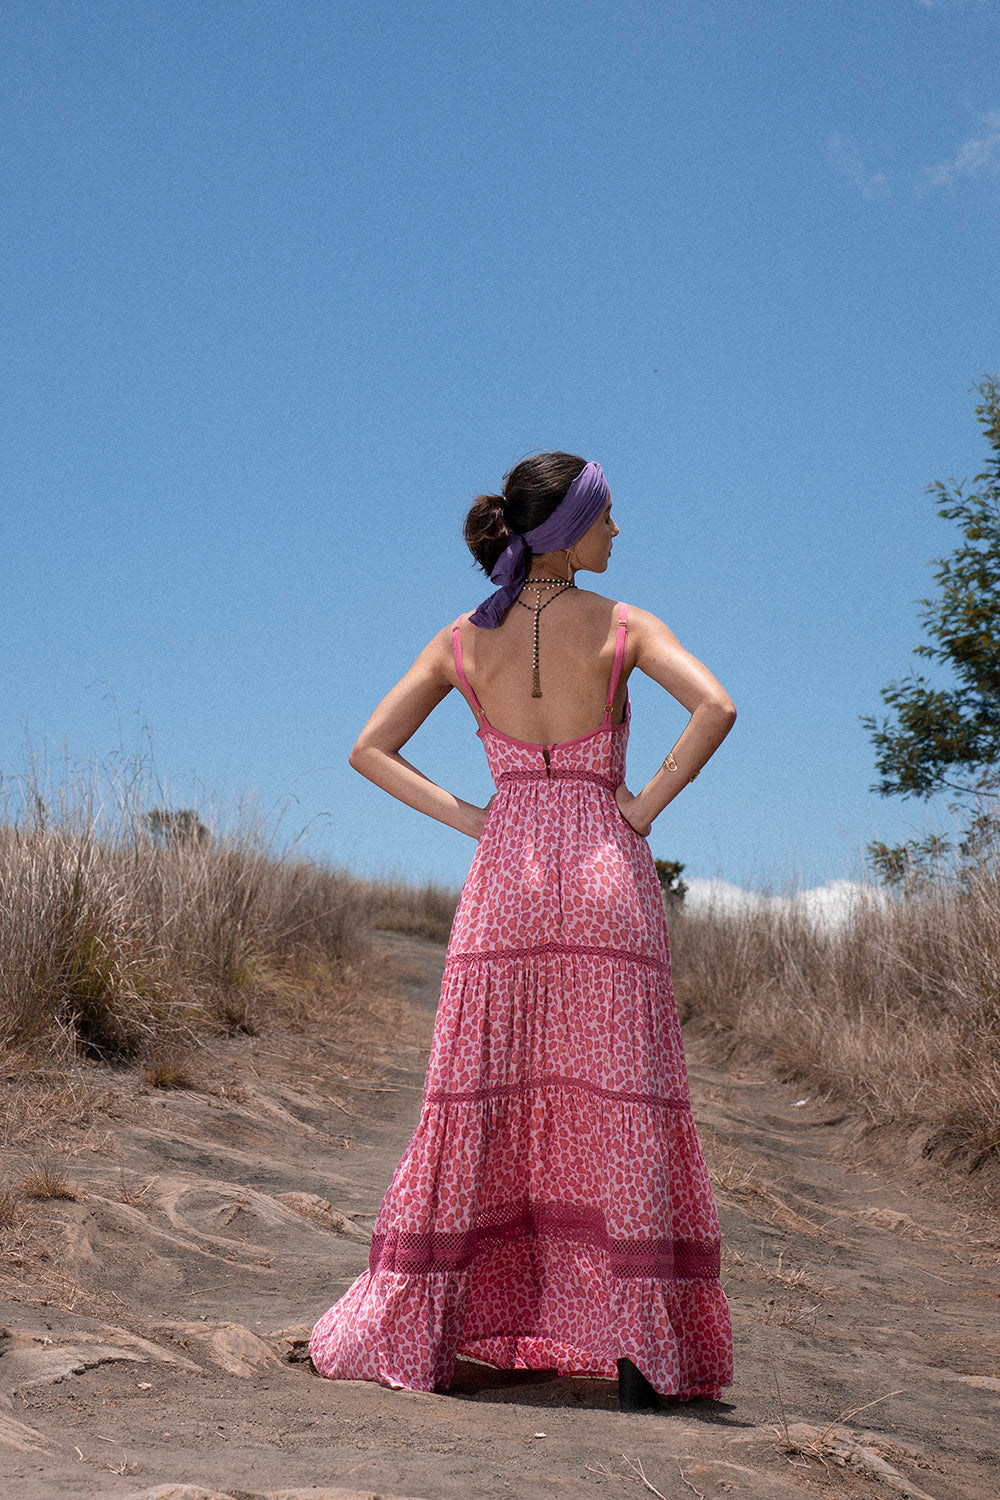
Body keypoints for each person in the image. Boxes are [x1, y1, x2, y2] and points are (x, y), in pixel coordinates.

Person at [309, 453, 736, 1410]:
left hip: (505, 881)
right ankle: (638, 1351)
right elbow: (718, 704)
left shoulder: (463, 642)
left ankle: (431, 1333)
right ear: (567, 531)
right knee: (619, 1100)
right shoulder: (623, 624)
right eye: (607, 518)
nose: (617, 535)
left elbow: (367, 749)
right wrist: (644, 806)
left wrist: (477, 818)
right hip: (601, 874)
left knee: (481, 1094)